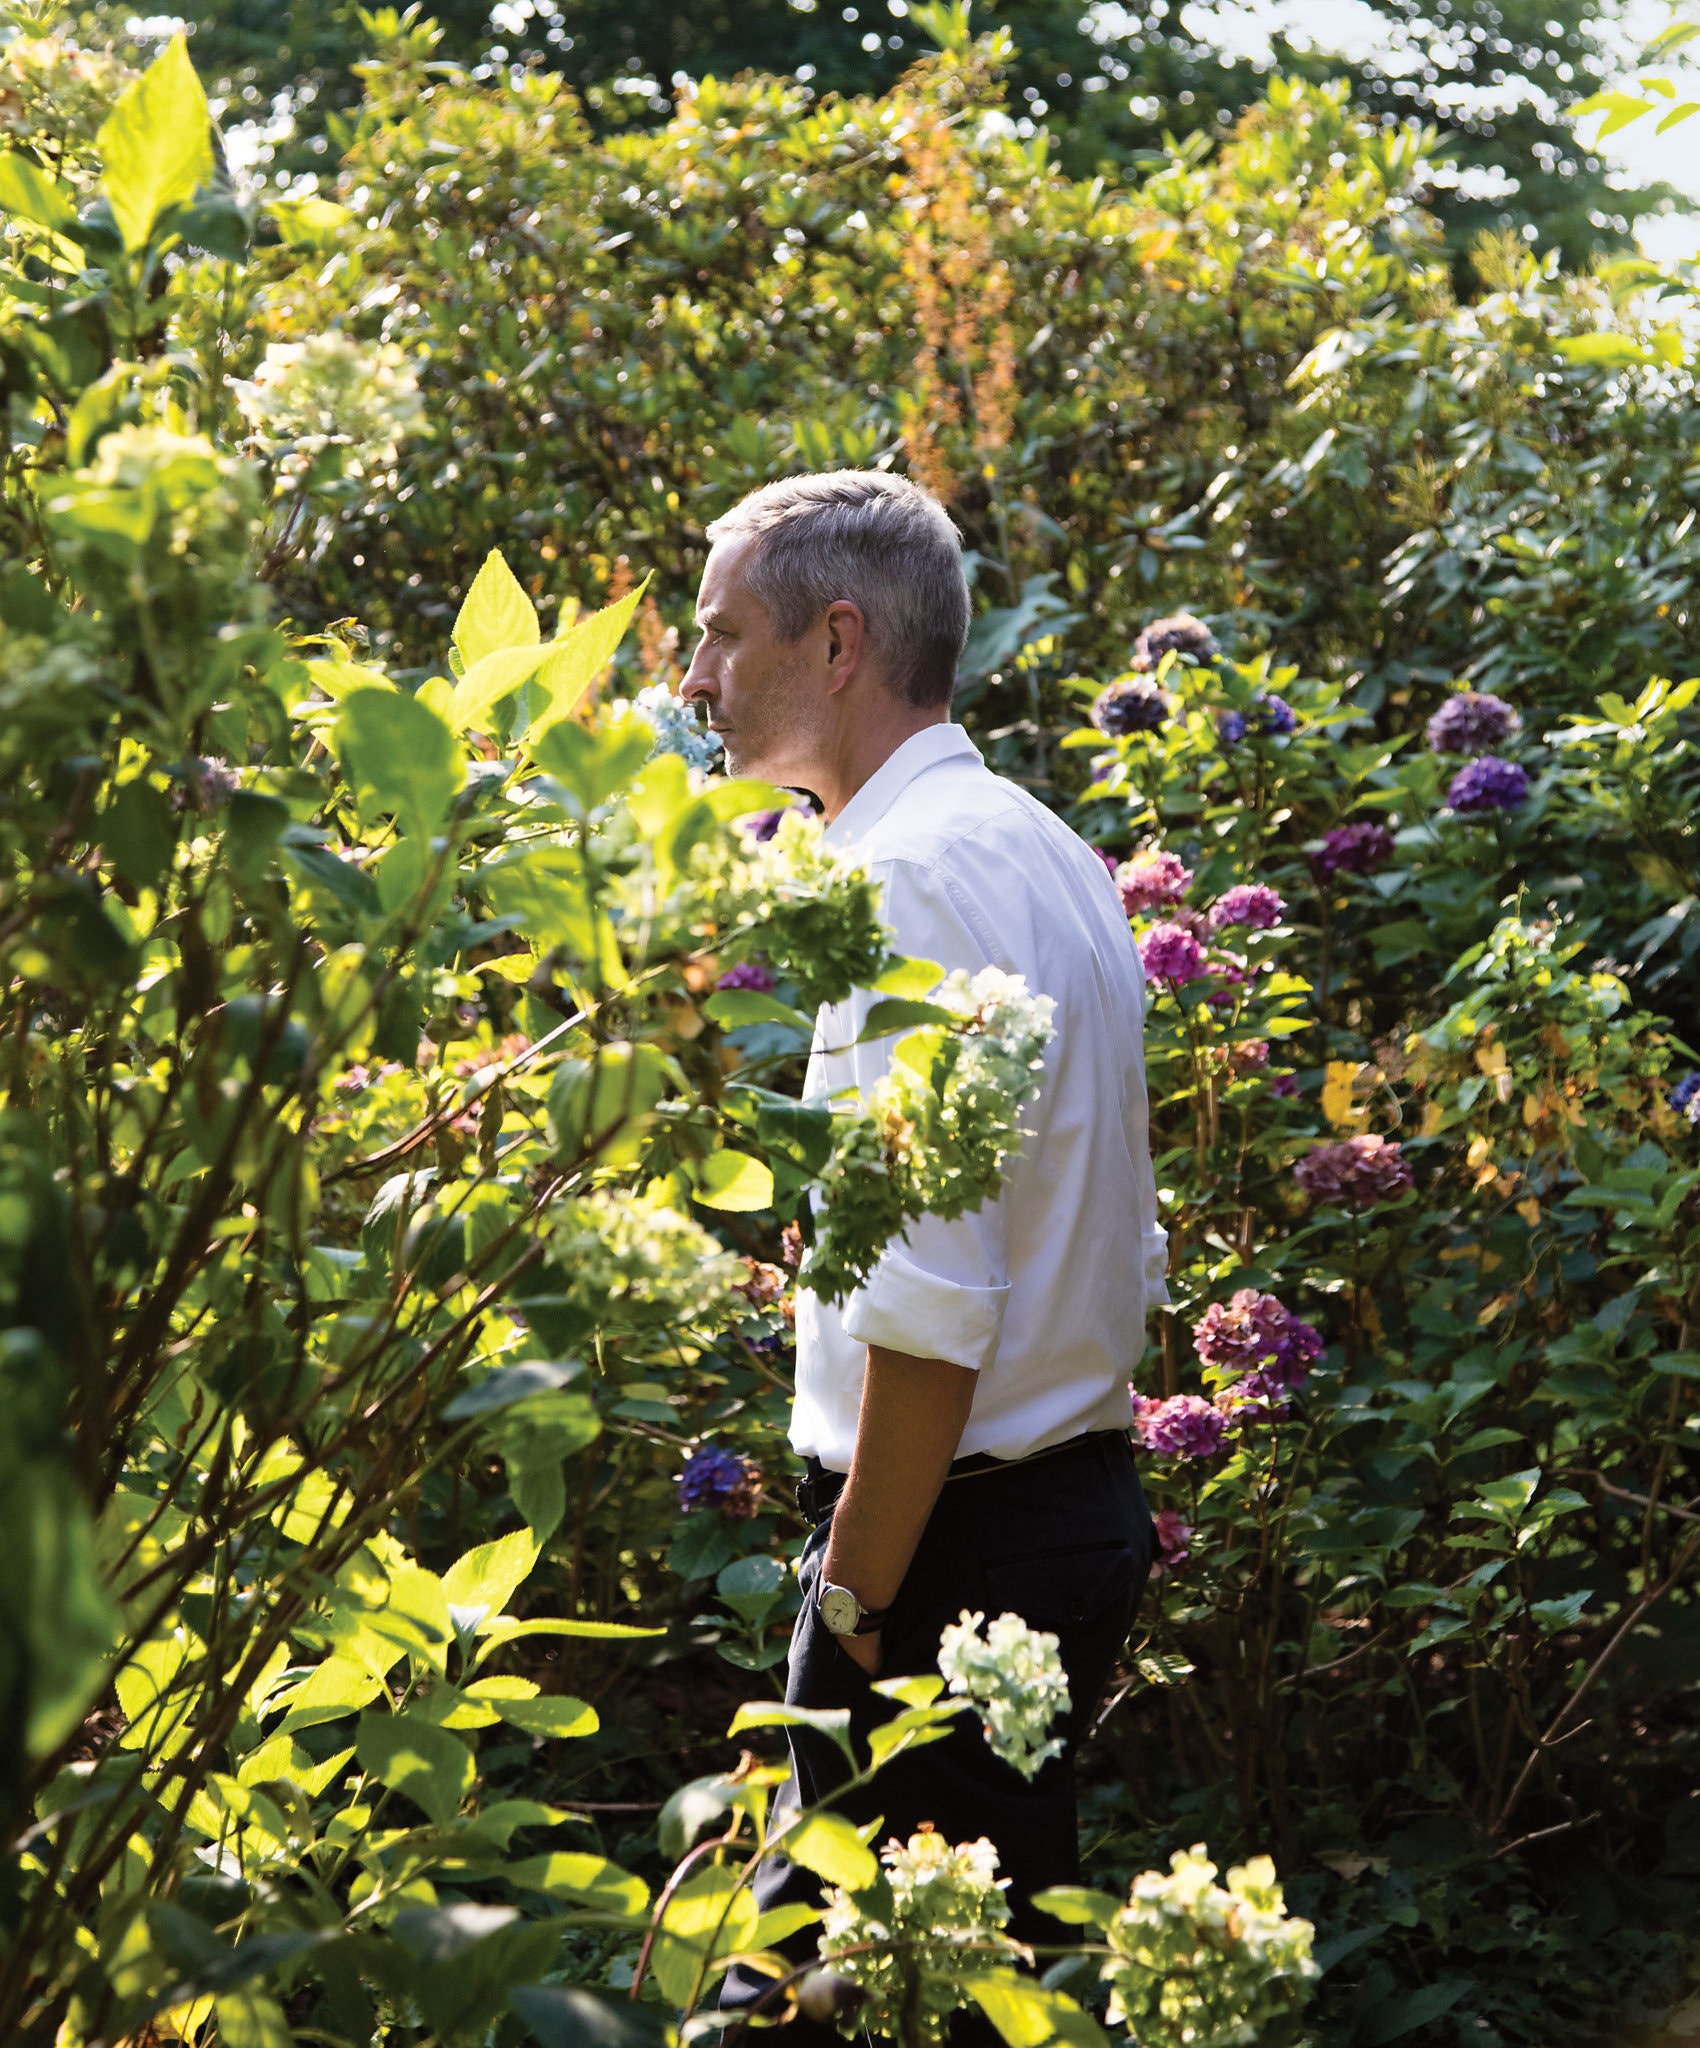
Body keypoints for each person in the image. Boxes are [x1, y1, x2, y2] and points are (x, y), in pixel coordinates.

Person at [680, 471, 1167, 2039]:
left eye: (720, 634)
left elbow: (934, 1303)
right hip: (1044, 1524)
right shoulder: (1034, 846)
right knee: (947, 2004)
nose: (693, 680)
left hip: (947, 1551)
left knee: (796, 2008)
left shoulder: (910, 878)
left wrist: (852, 1596)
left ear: (837, 642)